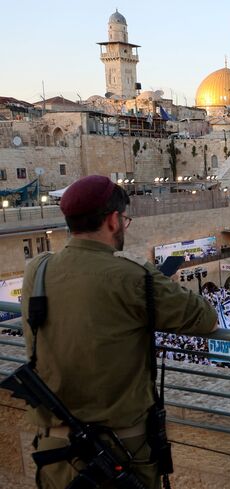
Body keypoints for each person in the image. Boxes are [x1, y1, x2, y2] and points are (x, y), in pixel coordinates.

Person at [21, 175, 219, 489]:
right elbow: (206, 318)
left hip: (55, 456)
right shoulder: (131, 275)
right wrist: (145, 270)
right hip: (122, 455)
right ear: (113, 221)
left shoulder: (37, 270)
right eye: (125, 221)